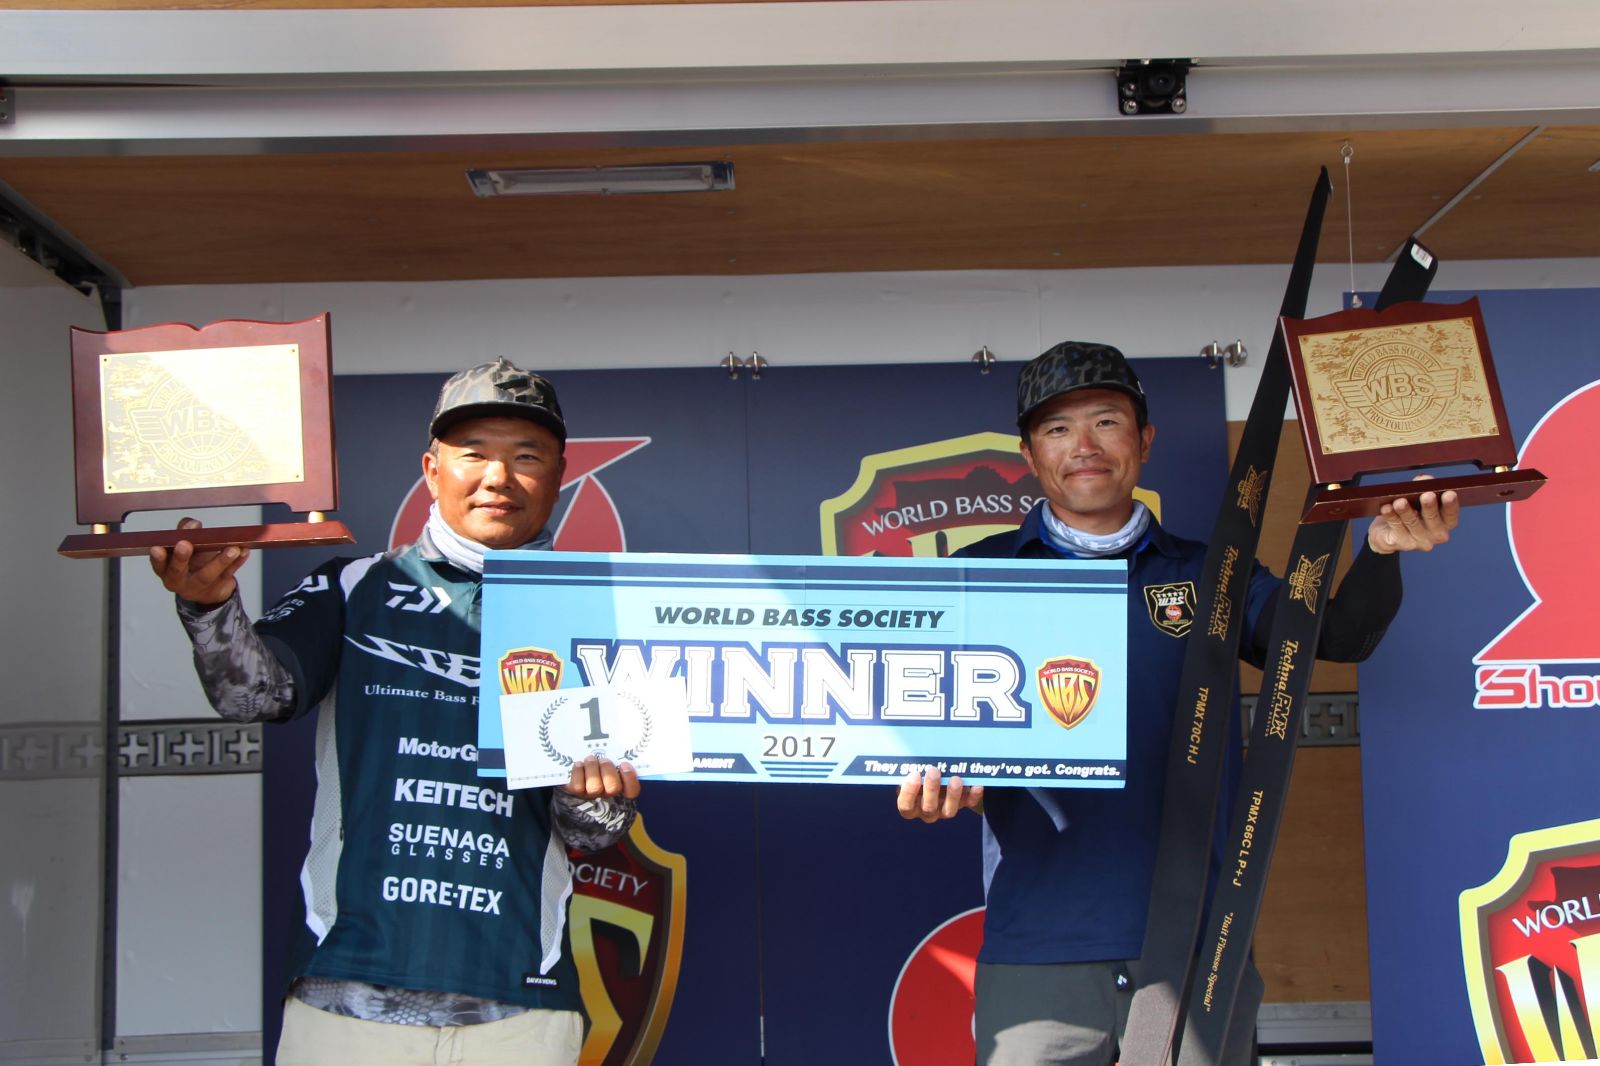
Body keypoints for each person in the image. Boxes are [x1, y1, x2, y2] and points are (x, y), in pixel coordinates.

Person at [895, 341, 1458, 1066]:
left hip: (1196, 944)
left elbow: (1339, 638)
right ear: (1029, 454)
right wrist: (925, 777)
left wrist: (1381, 551)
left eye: (1107, 421)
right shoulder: (975, 575)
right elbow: (914, 732)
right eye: (1058, 429)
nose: (1085, 446)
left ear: (1145, 440)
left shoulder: (1211, 573)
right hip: (1039, 945)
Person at [151, 359, 639, 1066]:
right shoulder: (356, 585)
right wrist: (208, 607)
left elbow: (592, 833)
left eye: (526, 456)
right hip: (346, 993)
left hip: (519, 1005)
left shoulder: (597, 612)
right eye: (474, 453)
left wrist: (592, 798)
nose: (498, 477)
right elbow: (253, 694)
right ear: (432, 470)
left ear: (559, 475)